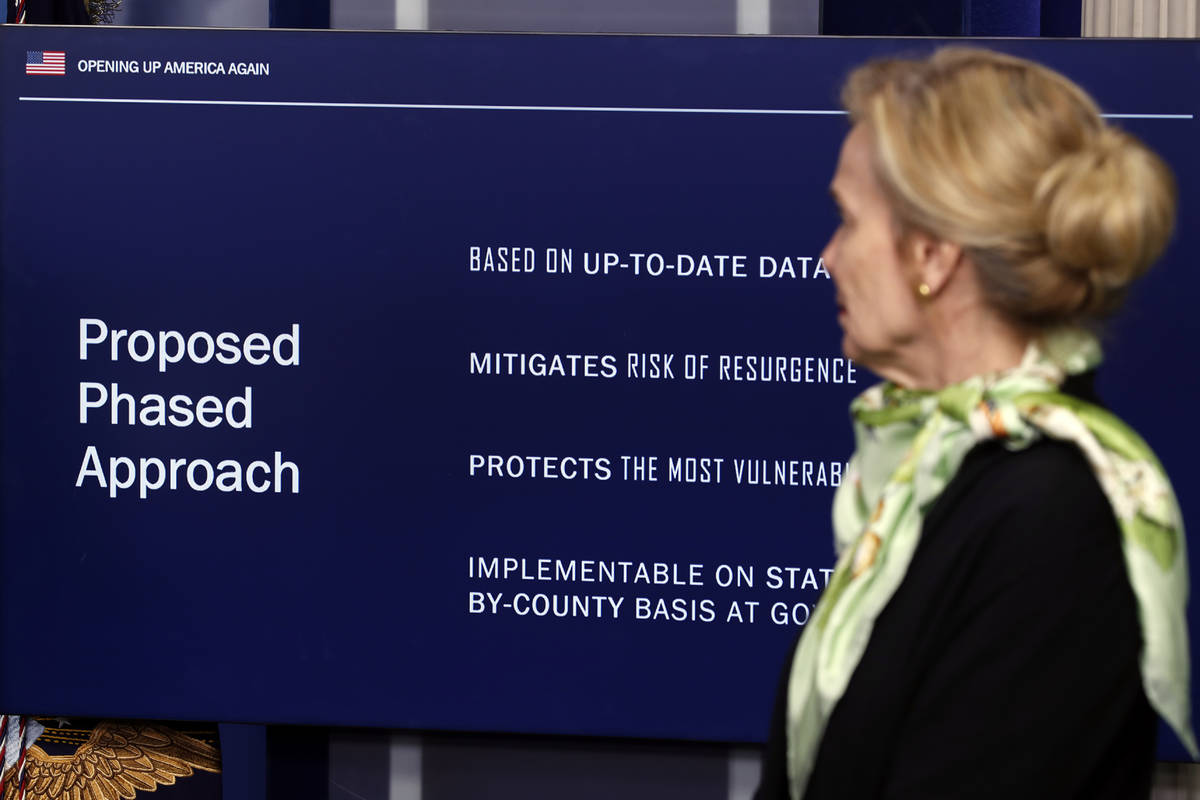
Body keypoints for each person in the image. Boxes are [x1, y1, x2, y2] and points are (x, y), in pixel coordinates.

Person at [754, 46, 1196, 799]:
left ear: (932, 255)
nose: (828, 257)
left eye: (847, 220)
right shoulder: (939, 473)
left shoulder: (1053, 522)